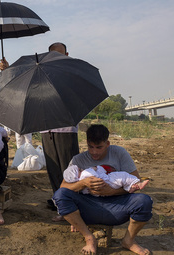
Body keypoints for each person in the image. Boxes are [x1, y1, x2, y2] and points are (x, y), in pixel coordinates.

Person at [53, 124, 153, 255]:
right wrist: (83, 183)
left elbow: (135, 181)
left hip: (117, 206)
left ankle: (129, 240)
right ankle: (89, 238)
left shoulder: (119, 153)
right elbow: (63, 188)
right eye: (90, 147)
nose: (94, 152)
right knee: (60, 195)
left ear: (107, 143)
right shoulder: (78, 160)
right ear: (87, 143)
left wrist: (111, 191)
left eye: (99, 147)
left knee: (144, 201)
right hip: (88, 207)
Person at [39, 42, 79, 211]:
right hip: (46, 127)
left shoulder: (72, 73)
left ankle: (73, 202)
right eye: (53, 55)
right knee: (53, 167)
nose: (57, 58)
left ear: (67, 54)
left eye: (61, 54)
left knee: (68, 167)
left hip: (65, 128)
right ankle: (59, 199)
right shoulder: (41, 73)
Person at [64, 164, 149, 194]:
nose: (81, 169)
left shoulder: (82, 189)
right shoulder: (85, 174)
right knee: (123, 175)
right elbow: (92, 172)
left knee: (122, 181)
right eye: (79, 169)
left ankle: (130, 188)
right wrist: (94, 168)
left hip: (99, 192)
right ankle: (137, 184)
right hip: (109, 181)